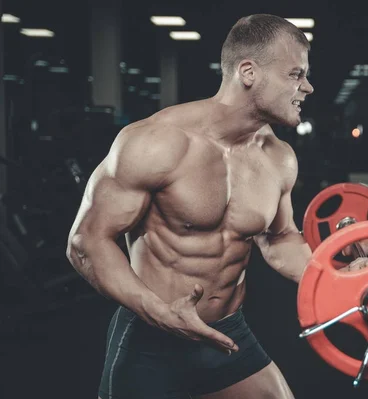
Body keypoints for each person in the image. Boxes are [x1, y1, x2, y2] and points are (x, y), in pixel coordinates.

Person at [66, 14, 315, 399]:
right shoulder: (157, 143)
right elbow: (86, 241)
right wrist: (158, 312)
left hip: (227, 333)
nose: (308, 87)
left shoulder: (279, 158)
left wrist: (337, 276)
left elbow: (281, 238)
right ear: (248, 72)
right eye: (295, 74)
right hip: (152, 337)